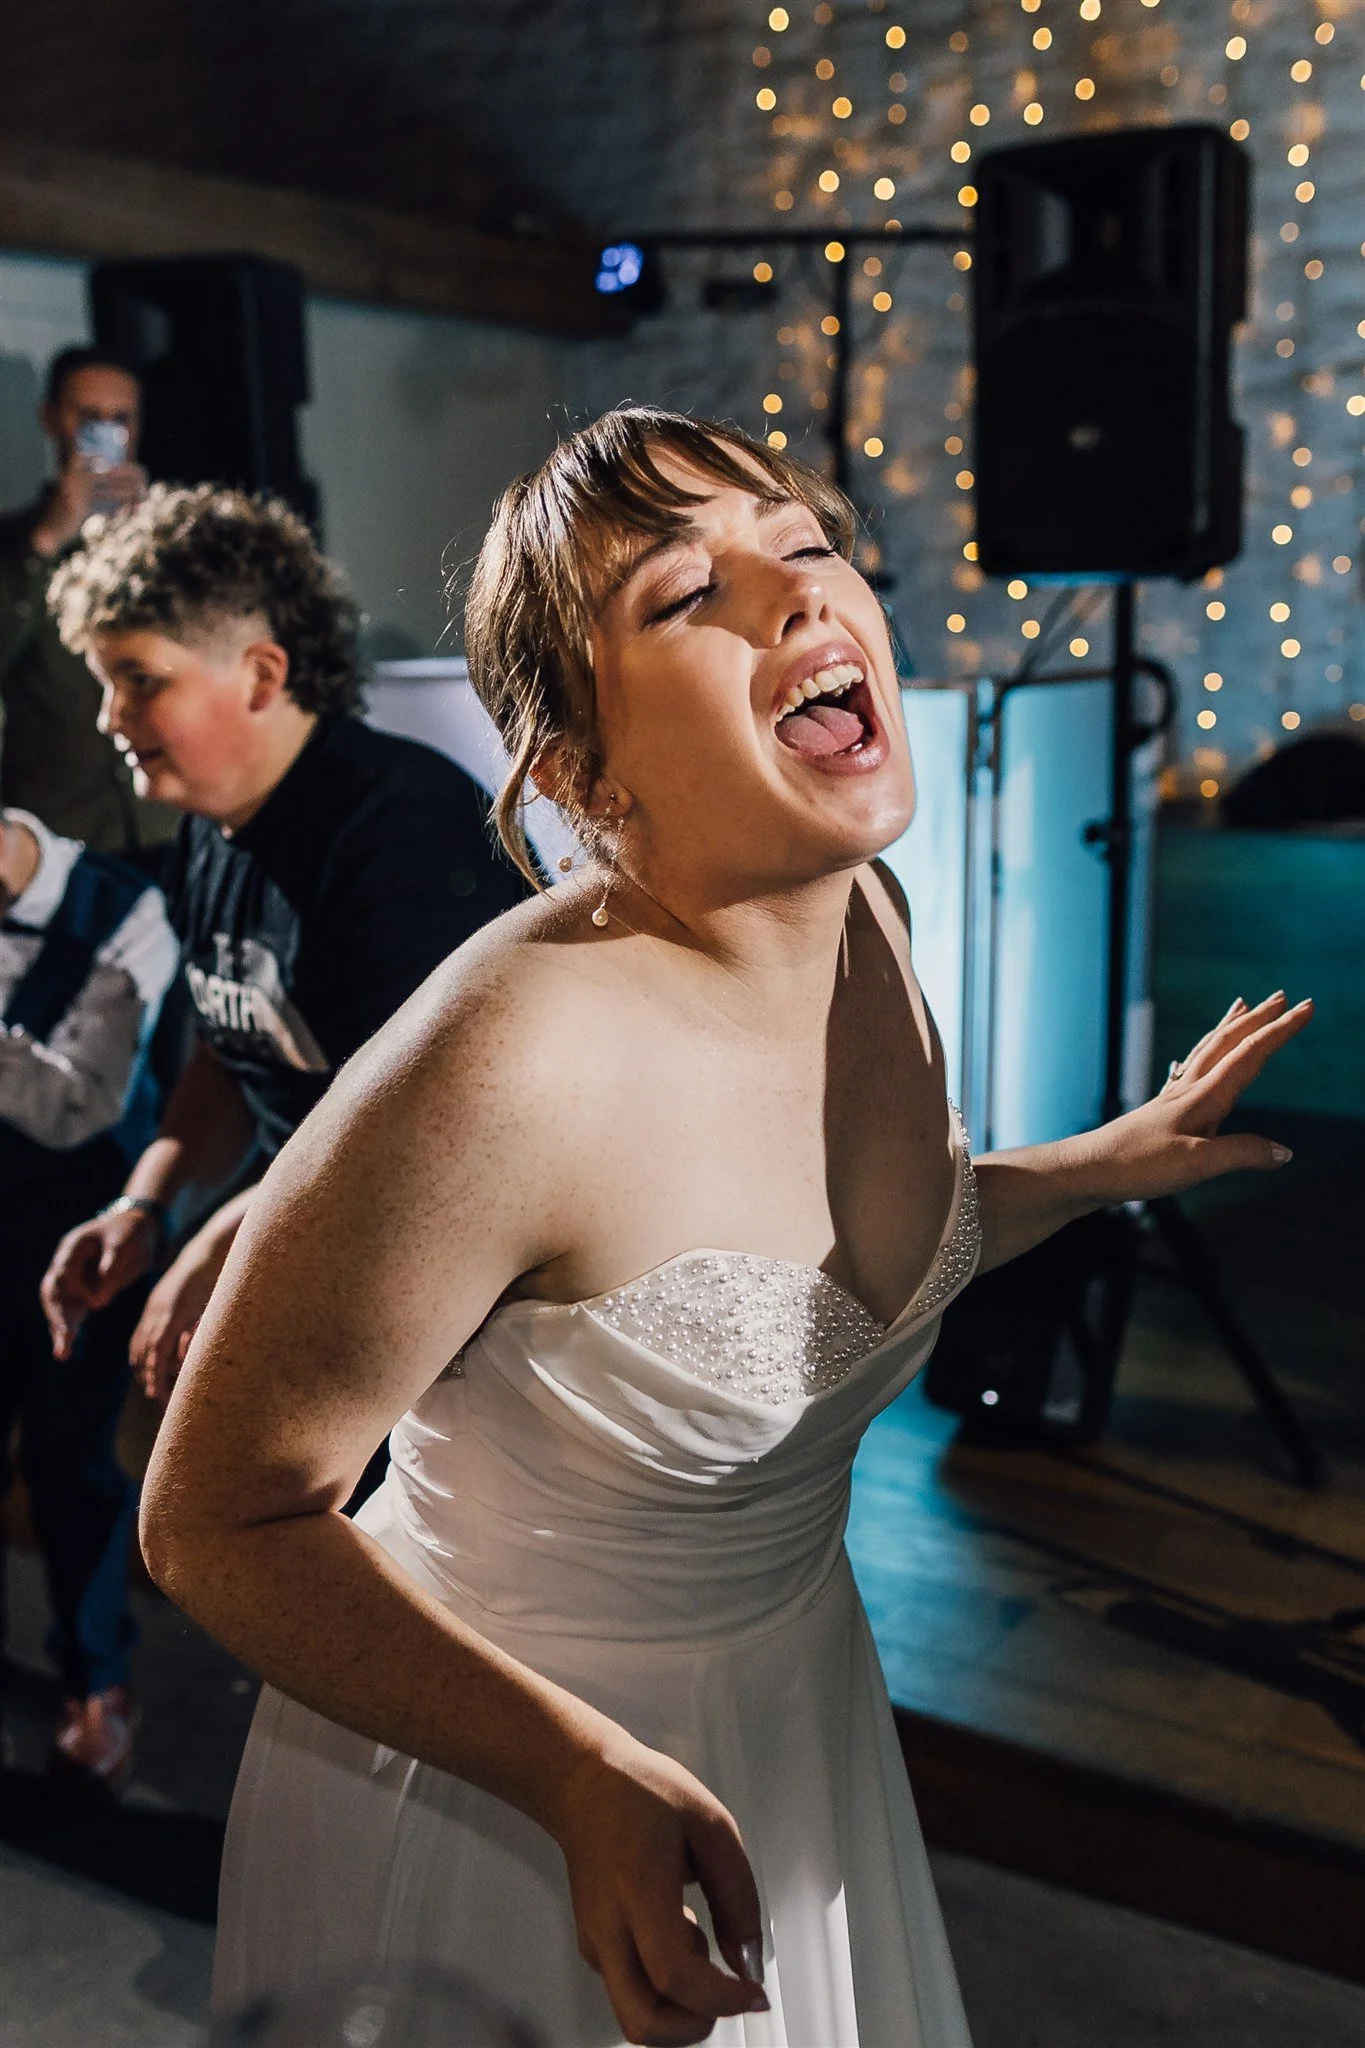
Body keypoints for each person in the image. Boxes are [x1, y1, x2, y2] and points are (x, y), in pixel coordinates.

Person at [138, 409, 1310, 2048]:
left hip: (795, 1694)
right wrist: (566, 1765)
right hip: (520, 1779)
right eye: (694, 592)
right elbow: (214, 1522)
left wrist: (1100, 1165)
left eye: (806, 545)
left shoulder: (871, 918)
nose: (799, 600)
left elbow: (845, 1266)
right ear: (576, 767)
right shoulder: (516, 1053)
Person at [39, 484, 527, 1413]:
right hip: (309, 1252)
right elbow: (239, 1051)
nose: (110, 716)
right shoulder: (209, 826)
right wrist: (146, 1205)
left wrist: (226, 1240)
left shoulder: (400, 828)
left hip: (450, 1311)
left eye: (141, 679)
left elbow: (422, 1124)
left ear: (262, 675)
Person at [0, 805, 177, 1784]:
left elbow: (83, 1102)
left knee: (71, 1469)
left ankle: (97, 1678)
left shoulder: (120, 906)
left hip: (81, 1238)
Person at [0, 347, 178, 856]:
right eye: (89, 416)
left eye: (120, 418)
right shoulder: (12, 545)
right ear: (52, 417)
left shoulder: (163, 537)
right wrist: (51, 535)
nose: (106, 432)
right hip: (61, 835)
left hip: (164, 824)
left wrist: (151, 531)